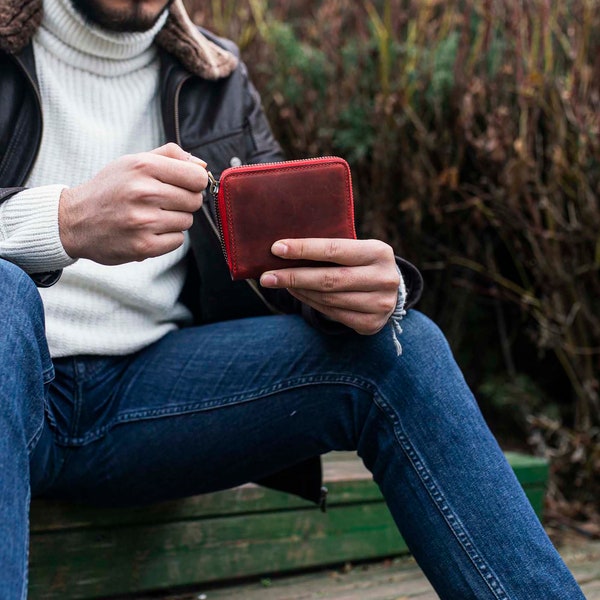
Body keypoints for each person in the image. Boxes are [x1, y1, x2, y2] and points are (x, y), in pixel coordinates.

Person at [0, 0, 586, 597]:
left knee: (406, 344)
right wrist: (61, 221)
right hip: (12, 380)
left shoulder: (216, 74)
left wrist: (369, 291)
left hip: (148, 402)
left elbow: (280, 256)